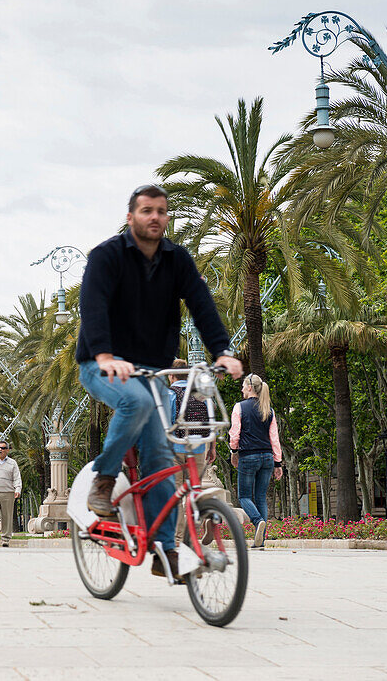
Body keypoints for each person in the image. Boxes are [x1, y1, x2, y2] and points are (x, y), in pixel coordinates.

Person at [77, 184, 242, 581]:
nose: (155, 217)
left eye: (161, 211)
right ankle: (104, 477)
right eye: (146, 210)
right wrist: (102, 354)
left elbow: (200, 302)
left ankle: (165, 551)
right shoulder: (107, 256)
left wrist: (222, 349)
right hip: (103, 365)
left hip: (152, 369)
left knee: (161, 460)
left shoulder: (176, 259)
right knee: (136, 402)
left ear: (167, 217)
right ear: (131, 216)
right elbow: (93, 304)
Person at [230, 373, 282, 548]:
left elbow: (234, 433)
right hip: (267, 457)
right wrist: (278, 463)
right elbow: (274, 438)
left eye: (244, 386)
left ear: (250, 387)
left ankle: (257, 520)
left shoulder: (240, 407)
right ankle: (261, 539)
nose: (242, 389)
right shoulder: (269, 410)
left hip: (248, 456)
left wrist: (234, 451)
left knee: (244, 496)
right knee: (260, 497)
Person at [168, 359, 215, 546]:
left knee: (176, 494)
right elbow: (211, 422)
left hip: (175, 449)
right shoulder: (201, 393)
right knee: (195, 490)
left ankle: (179, 539)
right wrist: (211, 448)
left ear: (171, 376)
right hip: (199, 448)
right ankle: (199, 526)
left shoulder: (170, 393)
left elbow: (164, 423)